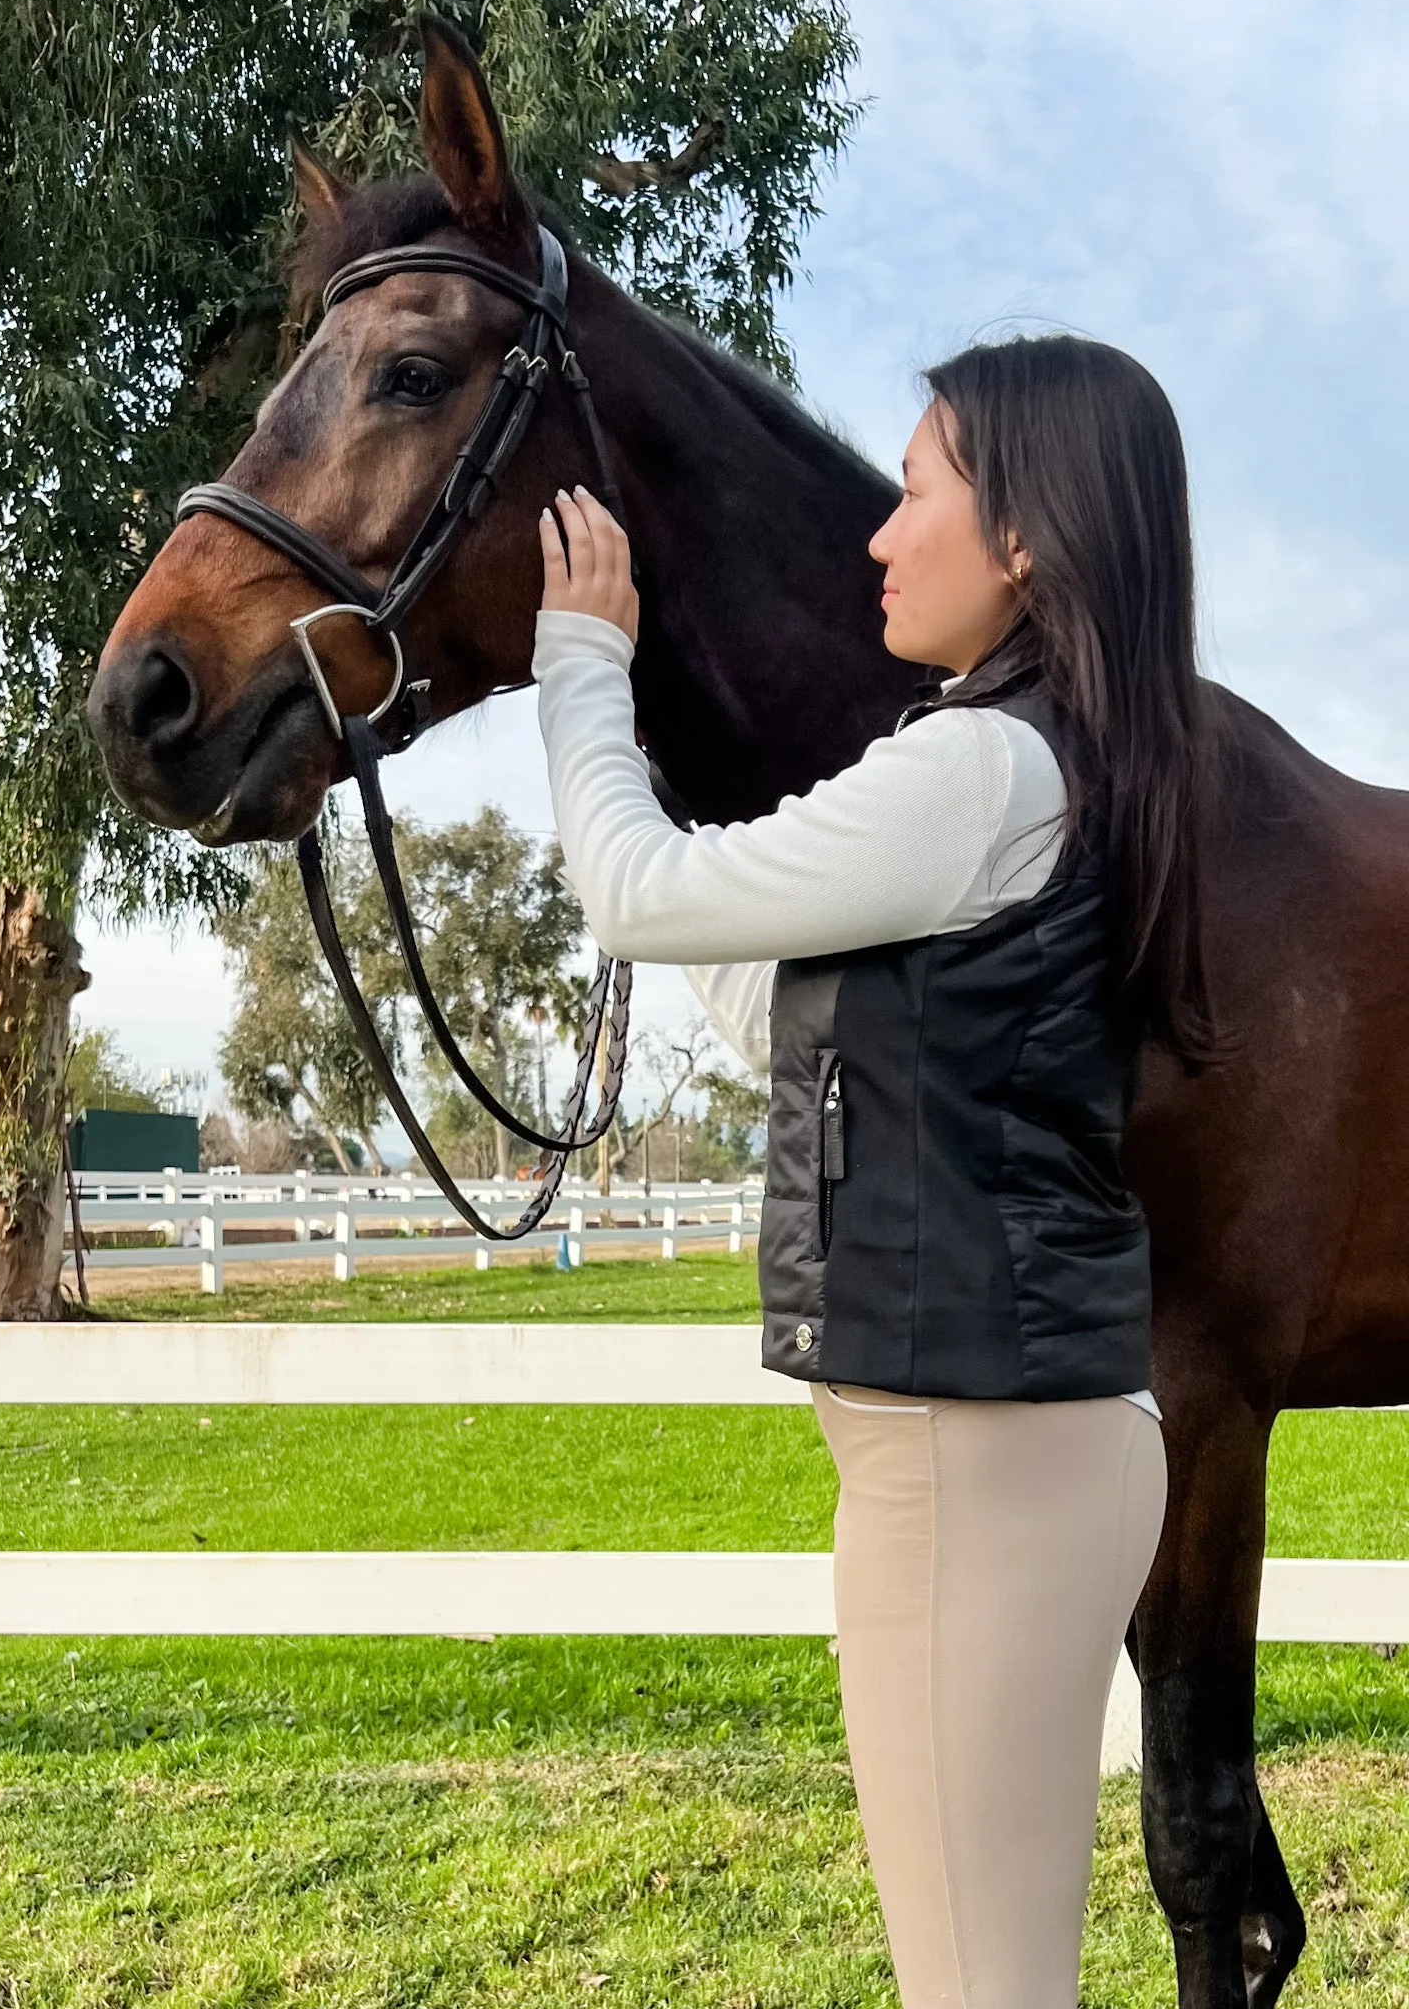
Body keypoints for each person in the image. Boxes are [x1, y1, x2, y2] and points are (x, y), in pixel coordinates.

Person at [528, 333, 1215, 2006]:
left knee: (974, 1988)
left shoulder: (974, 765)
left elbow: (632, 895)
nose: (879, 538)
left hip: (968, 1465)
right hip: (1040, 1438)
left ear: (1029, 536)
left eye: (916, 493)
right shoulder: (1072, 756)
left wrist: (578, 660)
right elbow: (769, 986)